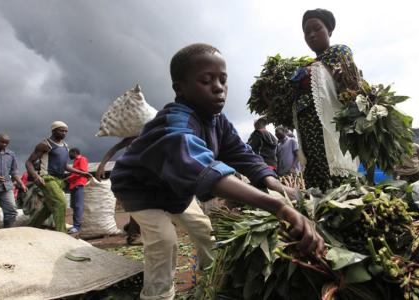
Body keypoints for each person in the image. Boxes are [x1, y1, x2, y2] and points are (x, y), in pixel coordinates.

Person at [110, 43, 325, 300]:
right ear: (180, 88)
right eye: (206, 80)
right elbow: (201, 166)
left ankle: (209, 282)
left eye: (223, 80)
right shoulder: (175, 125)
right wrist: (277, 207)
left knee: (205, 231)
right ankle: (157, 295)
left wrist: (276, 185)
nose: (218, 87)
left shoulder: (217, 121)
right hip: (141, 190)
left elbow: (241, 153)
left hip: (174, 189)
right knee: (164, 242)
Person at [266, 8, 359, 192]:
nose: (311, 35)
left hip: (326, 125)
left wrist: (343, 78)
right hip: (306, 130)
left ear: (329, 30)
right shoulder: (304, 67)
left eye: (317, 28)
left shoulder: (339, 51)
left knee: (332, 169)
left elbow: (348, 87)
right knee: (314, 172)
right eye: (307, 32)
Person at [25, 121, 91, 232]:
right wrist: (36, 176)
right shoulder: (45, 144)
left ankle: (30, 228)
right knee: (61, 203)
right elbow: (29, 162)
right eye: (62, 130)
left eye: (66, 131)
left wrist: (82, 173)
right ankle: (62, 232)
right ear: (54, 130)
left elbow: (64, 166)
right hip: (47, 178)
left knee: (49, 208)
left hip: (59, 180)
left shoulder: (65, 146)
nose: (64, 133)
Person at [95, 136, 142, 245]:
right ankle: (133, 235)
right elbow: (115, 148)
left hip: (145, 173)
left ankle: (131, 227)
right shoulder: (133, 137)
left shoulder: (153, 135)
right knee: (137, 203)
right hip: (132, 173)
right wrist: (102, 165)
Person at [67, 148, 89, 234]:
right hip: (74, 185)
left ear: (75, 152)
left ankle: (77, 226)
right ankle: (76, 225)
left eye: (70, 153)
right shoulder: (75, 161)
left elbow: (82, 172)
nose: (69, 156)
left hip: (79, 184)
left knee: (78, 206)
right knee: (74, 206)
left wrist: (68, 178)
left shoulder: (82, 159)